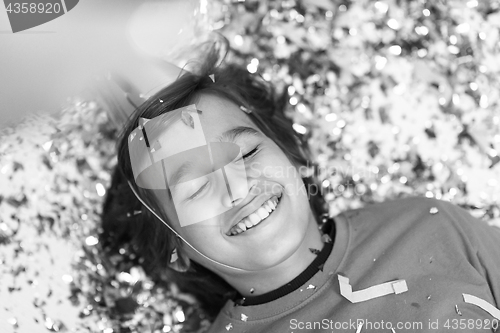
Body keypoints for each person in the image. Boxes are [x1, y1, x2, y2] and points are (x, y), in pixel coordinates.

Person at [102, 44, 500, 332]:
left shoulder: (428, 226)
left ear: (296, 159)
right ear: (176, 252)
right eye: (195, 186)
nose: (237, 187)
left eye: (246, 153)